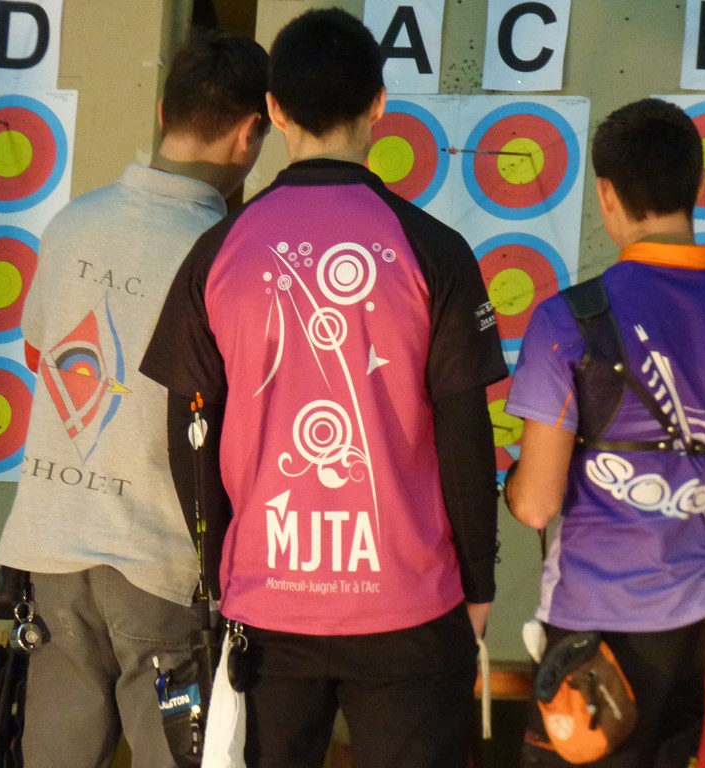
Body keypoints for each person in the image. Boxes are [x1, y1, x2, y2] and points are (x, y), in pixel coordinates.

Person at [140, 9, 507, 768]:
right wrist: (479, 582)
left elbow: (190, 432)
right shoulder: (435, 251)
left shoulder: (218, 251)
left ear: (274, 110)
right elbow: (466, 435)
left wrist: (219, 576)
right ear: (379, 105)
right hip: (412, 608)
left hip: (267, 608)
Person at [0, 30, 269, 768]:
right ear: (250, 132)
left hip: (51, 553)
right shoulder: (230, 252)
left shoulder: (71, 224)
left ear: (162, 112)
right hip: (161, 563)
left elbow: (41, 360)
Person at [504, 97, 705, 767]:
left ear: (606, 194)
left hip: (598, 645)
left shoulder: (568, 321)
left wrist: (514, 484)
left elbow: (538, 504)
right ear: (699, 184)